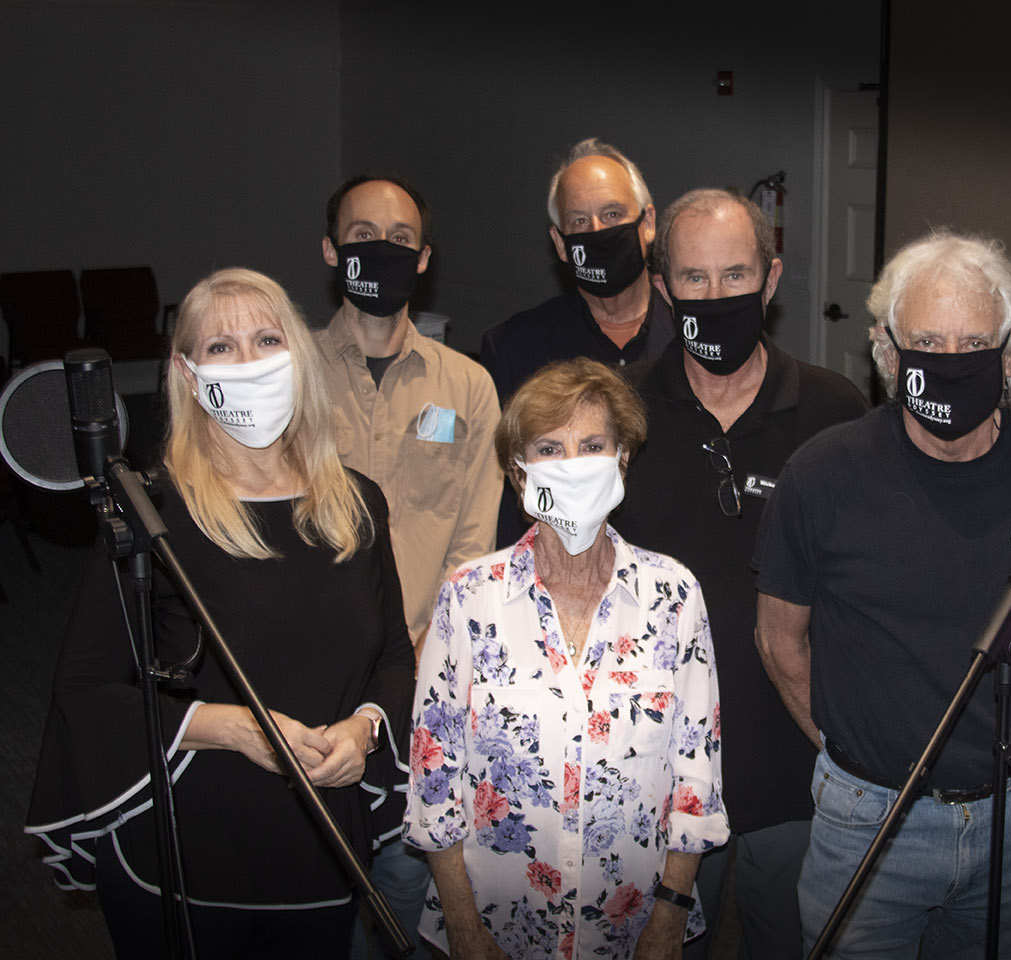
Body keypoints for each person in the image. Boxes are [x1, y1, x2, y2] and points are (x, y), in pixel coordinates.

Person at [25, 268, 414, 959]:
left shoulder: (358, 502)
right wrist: (227, 728)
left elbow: (391, 654)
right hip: (187, 852)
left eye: (268, 340)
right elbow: (84, 689)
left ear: (300, 359)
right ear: (185, 372)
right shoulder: (151, 510)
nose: (250, 363)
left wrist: (365, 728)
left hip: (322, 848)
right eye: (221, 347)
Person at [752, 230, 1011, 958]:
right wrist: (849, 757)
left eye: (974, 343)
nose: (949, 365)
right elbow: (779, 638)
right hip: (868, 819)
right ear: (887, 352)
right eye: (927, 343)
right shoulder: (823, 474)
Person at [403, 358, 729, 959]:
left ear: (623, 459)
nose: (574, 465)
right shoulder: (469, 597)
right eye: (550, 447)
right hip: (493, 926)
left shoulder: (674, 595)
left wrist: (668, 922)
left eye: (593, 445)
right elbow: (434, 780)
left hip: (634, 929)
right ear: (518, 472)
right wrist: (466, 931)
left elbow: (696, 779)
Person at [615, 188, 868, 958]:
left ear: (773, 276)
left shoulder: (836, 412)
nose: (716, 296)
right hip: (651, 770)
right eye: (694, 278)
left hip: (794, 764)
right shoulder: (618, 412)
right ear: (663, 287)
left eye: (736, 275)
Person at [315, 174, 505, 956]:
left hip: (424, 683)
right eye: (363, 236)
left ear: (422, 259)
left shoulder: (469, 385)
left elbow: (472, 545)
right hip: (311, 681)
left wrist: (418, 664)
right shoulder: (287, 378)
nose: (380, 253)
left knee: (401, 885)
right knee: (315, 884)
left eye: (399, 241)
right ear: (331, 252)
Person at [478, 138, 675, 407]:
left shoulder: (692, 335)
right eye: (579, 221)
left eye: (613, 214)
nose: (597, 231)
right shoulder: (513, 349)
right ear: (560, 244)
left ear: (648, 223)